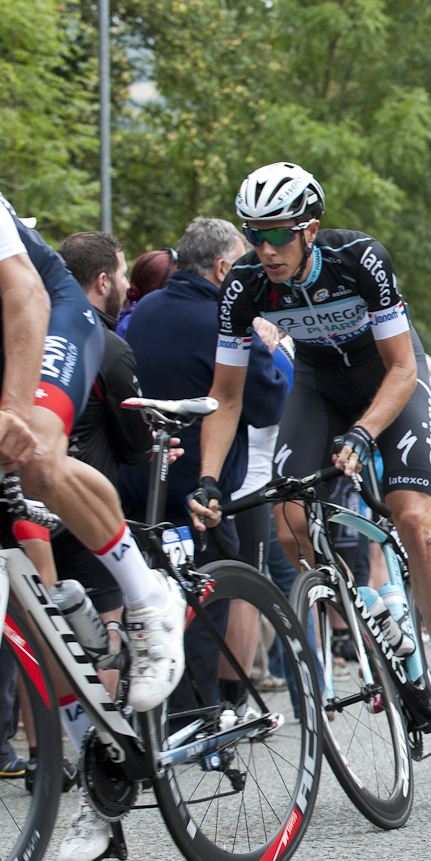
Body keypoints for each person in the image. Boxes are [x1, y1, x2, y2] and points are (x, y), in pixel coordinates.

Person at [186, 164, 431, 742]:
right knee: (290, 524)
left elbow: (402, 368)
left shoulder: (359, 259)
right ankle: (368, 616)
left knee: (414, 518)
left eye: (277, 234)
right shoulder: (243, 283)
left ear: (309, 229)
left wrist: (366, 432)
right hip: (319, 386)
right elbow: (225, 393)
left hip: (388, 377)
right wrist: (210, 479)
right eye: (254, 233)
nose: (264, 249)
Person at [0, 122, 186, 720]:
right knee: (1, 541)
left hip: (46, 309)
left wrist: (14, 410)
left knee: (33, 456)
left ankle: (147, 596)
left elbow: (24, 292)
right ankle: (90, 746)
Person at [124, 217, 290, 716]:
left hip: (137, 480)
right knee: (209, 597)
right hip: (201, 485)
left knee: (149, 600)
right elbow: (268, 405)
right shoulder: (223, 315)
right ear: (222, 268)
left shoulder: (142, 311)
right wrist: (272, 347)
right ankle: (204, 713)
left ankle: (153, 715)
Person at [53, 229, 158, 861]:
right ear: (103, 282)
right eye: (120, 275)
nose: (126, 287)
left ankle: (103, 795)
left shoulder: (55, 334)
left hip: (70, 523)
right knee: (92, 656)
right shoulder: (105, 344)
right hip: (81, 519)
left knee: (86, 657)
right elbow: (133, 439)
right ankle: (102, 790)